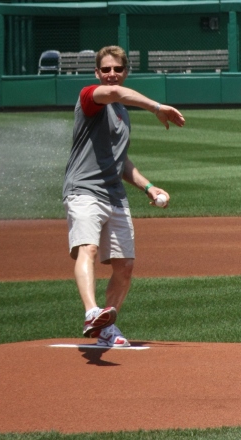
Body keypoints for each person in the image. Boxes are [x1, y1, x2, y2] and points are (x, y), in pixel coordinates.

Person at [63, 45, 185, 347]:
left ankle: (106, 326)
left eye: (118, 69)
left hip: (114, 196)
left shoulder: (121, 113)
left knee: (125, 267)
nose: (112, 74)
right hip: (83, 190)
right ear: (96, 73)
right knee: (87, 249)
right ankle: (92, 312)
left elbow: (121, 162)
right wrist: (157, 108)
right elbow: (117, 94)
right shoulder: (90, 97)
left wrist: (148, 186)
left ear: (125, 72)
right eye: (106, 69)